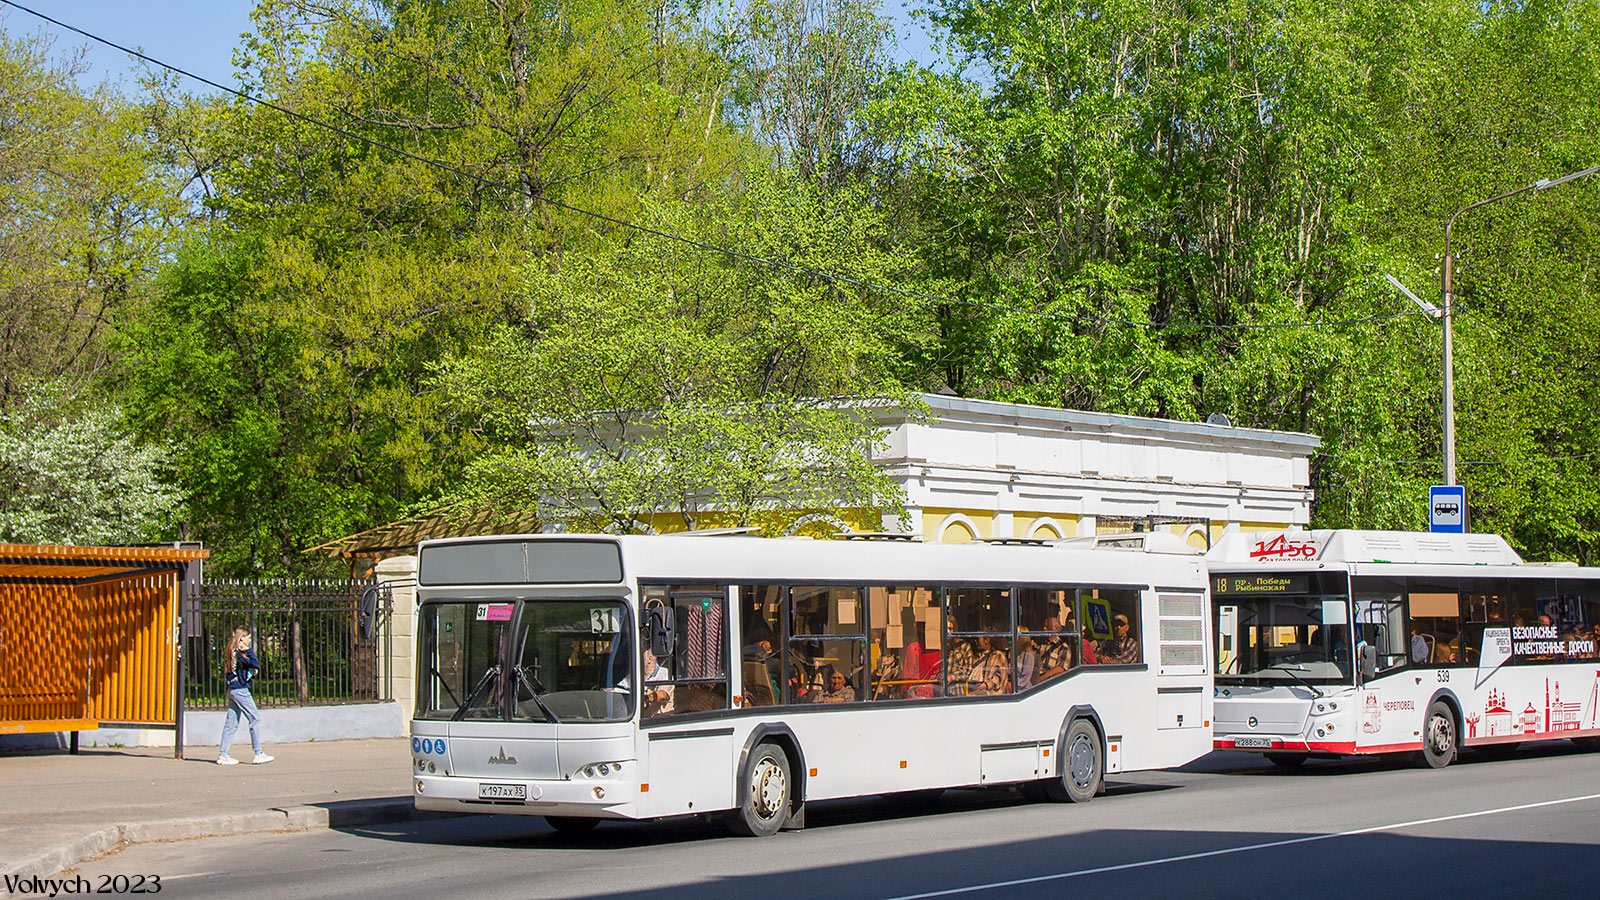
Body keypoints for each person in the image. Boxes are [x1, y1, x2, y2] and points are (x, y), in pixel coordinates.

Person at [217, 627, 273, 765]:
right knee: (254, 718)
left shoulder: (230, 652)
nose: (249, 640)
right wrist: (248, 650)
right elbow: (255, 663)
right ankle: (258, 753)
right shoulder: (240, 654)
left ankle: (223, 754)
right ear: (241, 638)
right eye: (247, 637)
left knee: (231, 723)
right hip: (241, 691)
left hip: (232, 689)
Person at [641, 647, 675, 717]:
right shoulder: (634, 675)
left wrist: (645, 698)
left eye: (639, 657)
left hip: (660, 720)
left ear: (649, 659)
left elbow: (662, 695)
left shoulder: (665, 673)